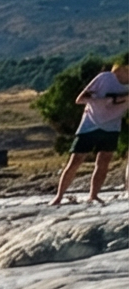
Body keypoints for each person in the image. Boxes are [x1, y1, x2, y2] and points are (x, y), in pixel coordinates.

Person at [55, 56, 129, 205]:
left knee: (103, 161)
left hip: (112, 126)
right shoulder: (104, 78)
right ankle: (59, 196)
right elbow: (80, 99)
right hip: (91, 124)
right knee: (75, 161)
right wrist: (109, 100)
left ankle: (93, 195)